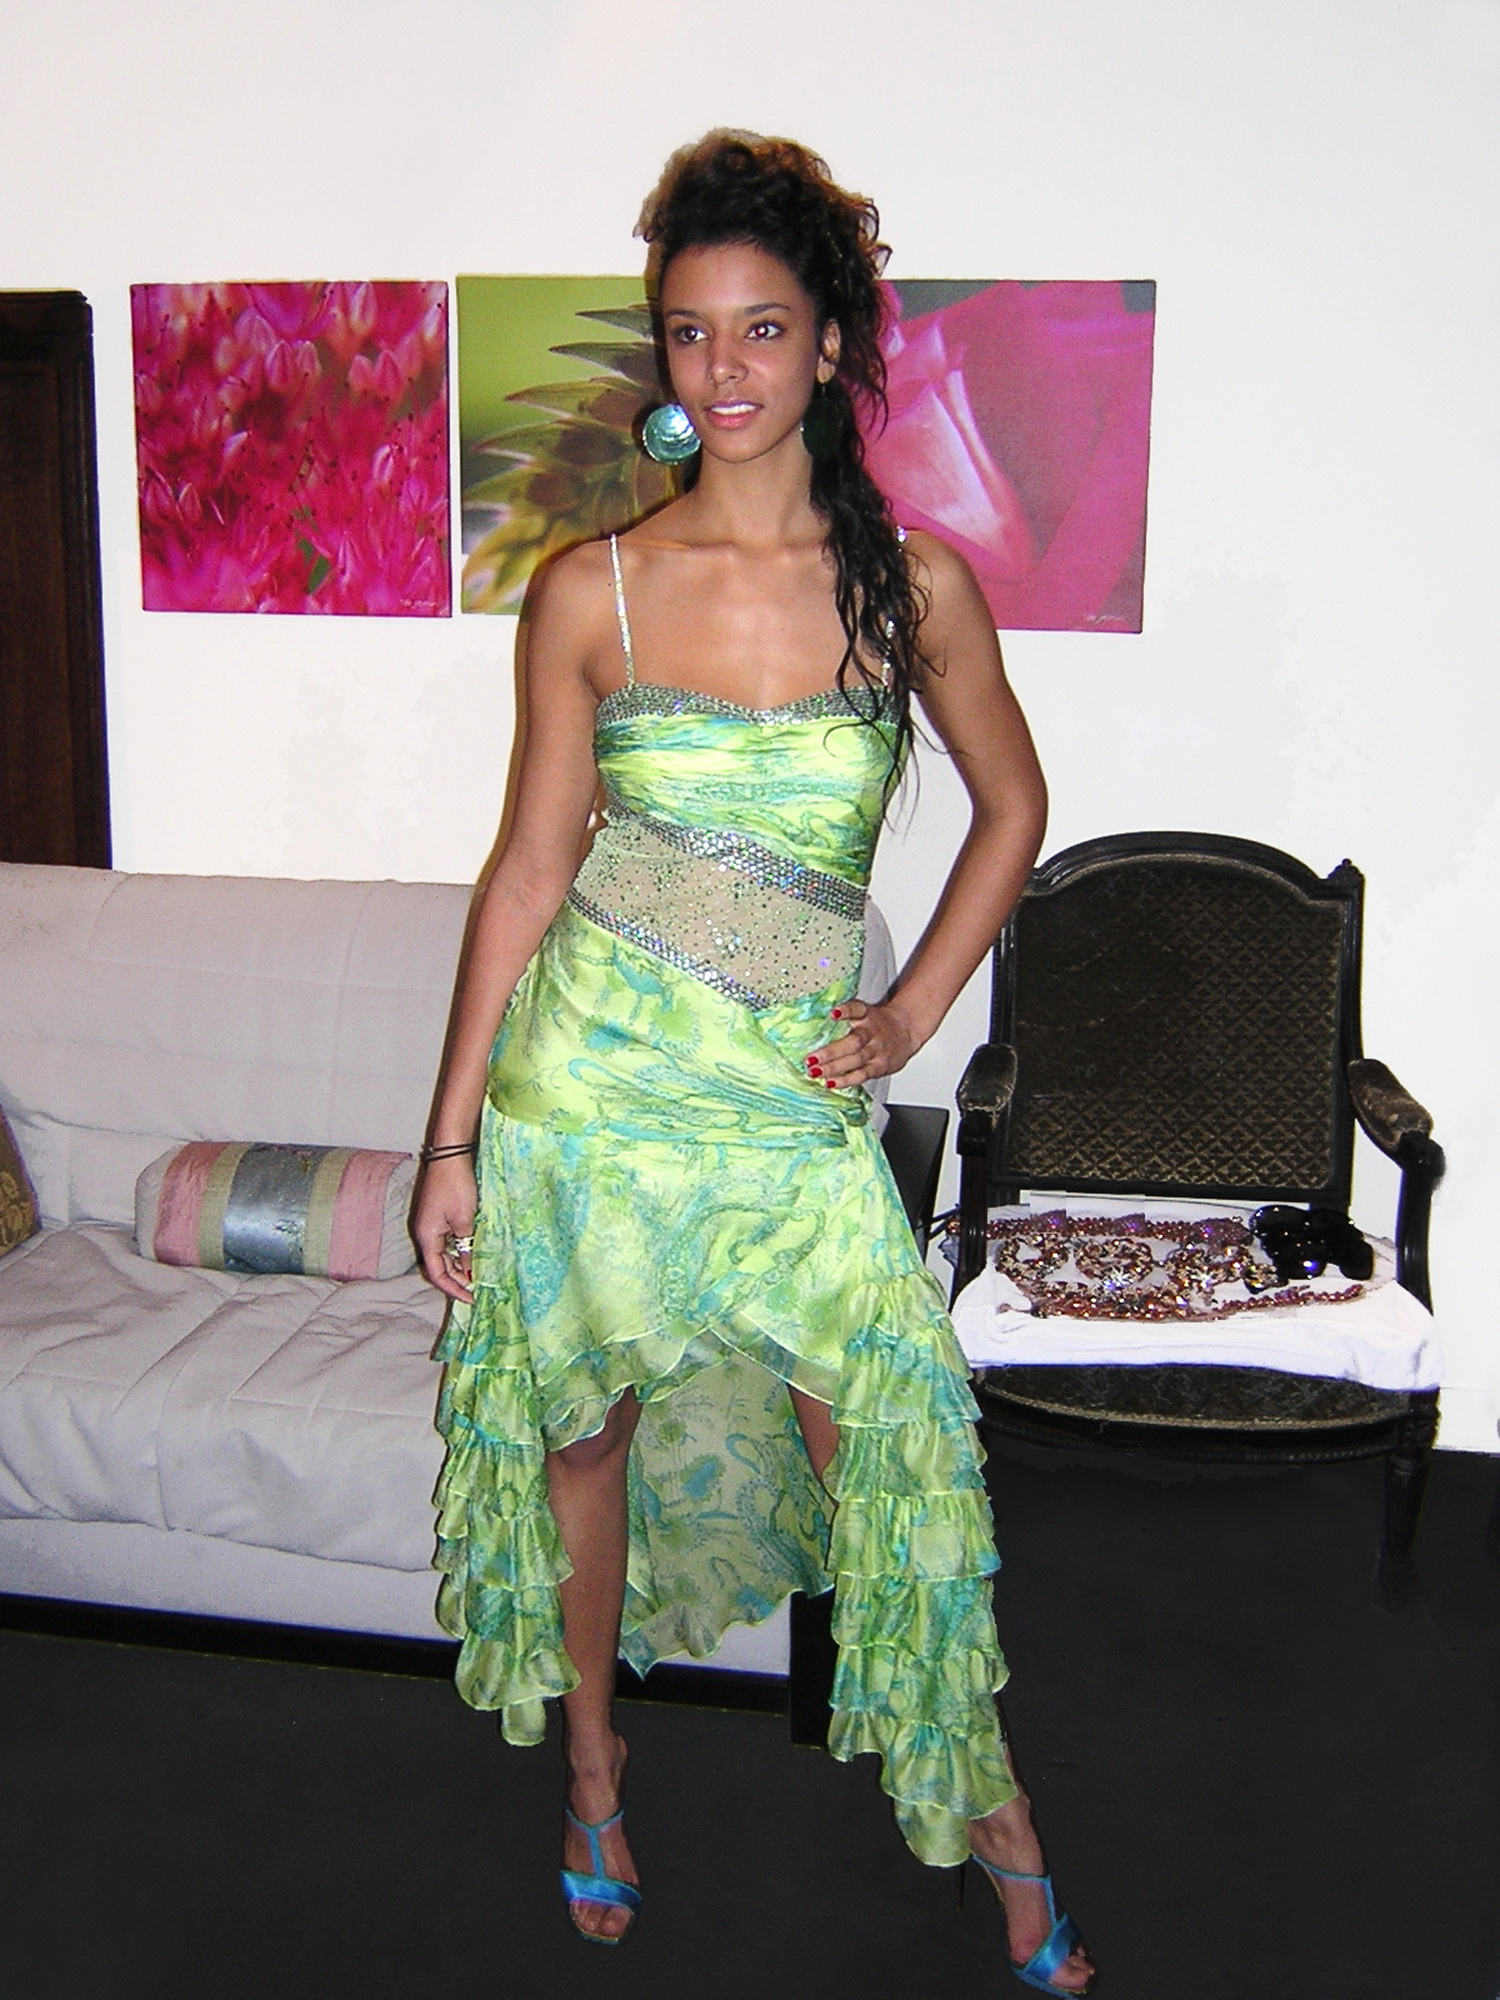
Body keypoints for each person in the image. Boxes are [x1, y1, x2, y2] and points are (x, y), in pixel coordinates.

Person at [414, 131, 1094, 1995]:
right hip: (590, 1090)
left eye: (764, 329)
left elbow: (1015, 809)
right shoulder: (594, 589)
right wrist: (452, 1139)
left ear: (829, 346)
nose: (723, 368)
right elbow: (529, 869)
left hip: (789, 1115)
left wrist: (917, 1010)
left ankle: (995, 1815)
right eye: (692, 332)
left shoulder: (915, 587)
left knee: (889, 1455)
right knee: (582, 1437)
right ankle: (595, 1777)